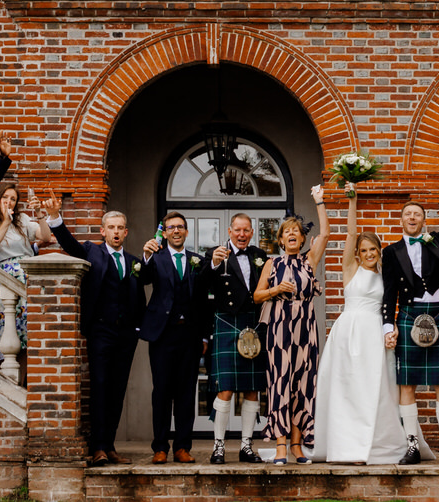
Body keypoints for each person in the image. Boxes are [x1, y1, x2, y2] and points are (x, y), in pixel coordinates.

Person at [309, 184, 405, 463]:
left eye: (372, 248)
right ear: (358, 253)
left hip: (375, 333)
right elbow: (351, 233)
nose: (368, 253)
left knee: (376, 387)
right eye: (364, 250)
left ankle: (375, 442)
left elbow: (390, 306)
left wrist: (393, 326)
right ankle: (346, 444)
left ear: (378, 250)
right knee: (347, 387)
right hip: (349, 333)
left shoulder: (386, 275)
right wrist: (353, 201)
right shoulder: (350, 269)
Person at [50, 199, 146, 466]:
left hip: (126, 334)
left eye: (120, 228)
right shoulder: (92, 251)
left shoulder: (134, 262)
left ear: (126, 232)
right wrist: (55, 218)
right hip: (101, 331)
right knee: (100, 387)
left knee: (118, 390)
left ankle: (111, 445)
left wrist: (137, 329)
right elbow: (69, 245)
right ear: (102, 231)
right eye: (111, 227)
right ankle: (98, 448)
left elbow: (143, 291)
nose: (116, 232)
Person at [380, 196, 439, 465]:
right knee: (407, 384)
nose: (412, 218)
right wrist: (388, 327)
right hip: (407, 316)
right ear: (401, 220)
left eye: (417, 214)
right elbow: (389, 292)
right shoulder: (391, 252)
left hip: (437, 314)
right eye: (408, 214)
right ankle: (412, 446)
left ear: (423, 220)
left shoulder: (436, 241)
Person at [253, 189, 330, 464]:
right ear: (281, 239)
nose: (293, 234)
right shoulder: (272, 264)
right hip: (280, 330)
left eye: (297, 230)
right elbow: (257, 296)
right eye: (288, 231)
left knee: (303, 385)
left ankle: (298, 445)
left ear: (301, 237)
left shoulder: (309, 261)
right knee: (280, 383)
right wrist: (275, 290)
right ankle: (281, 445)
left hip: (306, 331)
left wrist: (320, 201)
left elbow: (326, 234)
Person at [200, 212, 269, 463]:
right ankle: (218, 446)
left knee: (252, 390)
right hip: (227, 321)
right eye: (237, 230)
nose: (242, 235)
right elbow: (201, 284)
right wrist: (214, 265)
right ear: (229, 232)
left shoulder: (259, 256)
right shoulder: (214, 254)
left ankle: (246, 446)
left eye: (246, 230)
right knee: (225, 389)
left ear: (251, 232)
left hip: (253, 323)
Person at [137, 211, 205, 463]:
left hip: (190, 335)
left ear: (186, 232)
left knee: (186, 393)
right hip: (162, 335)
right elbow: (142, 279)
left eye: (181, 227)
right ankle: (160, 447)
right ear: (164, 233)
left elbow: (203, 303)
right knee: (162, 392)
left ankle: (183, 447)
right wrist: (145, 256)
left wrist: (205, 338)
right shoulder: (155, 258)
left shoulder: (197, 260)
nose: (176, 231)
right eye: (171, 227)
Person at [0, 181, 38, 366]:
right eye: (5, 197)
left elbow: (45, 236)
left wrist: (42, 215)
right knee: (6, 329)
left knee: (26, 332)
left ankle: (21, 381)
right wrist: (5, 223)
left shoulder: (22, 219)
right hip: (4, 280)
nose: (9, 202)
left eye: (13, 199)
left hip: (26, 277)